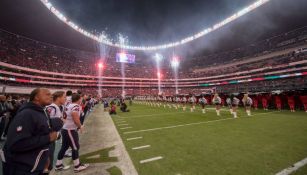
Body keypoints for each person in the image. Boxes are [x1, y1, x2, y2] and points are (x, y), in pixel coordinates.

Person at [2, 88, 60, 175]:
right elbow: (16, 144)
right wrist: (48, 138)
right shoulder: (27, 114)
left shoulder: (41, 111)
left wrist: (45, 158)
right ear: (36, 97)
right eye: (47, 94)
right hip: (23, 169)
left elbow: (41, 131)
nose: (51, 96)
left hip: (36, 166)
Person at [55, 93, 89, 173]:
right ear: (79, 99)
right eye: (80, 98)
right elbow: (75, 116)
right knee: (75, 147)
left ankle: (58, 165)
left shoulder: (69, 105)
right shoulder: (75, 106)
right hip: (70, 129)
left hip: (65, 128)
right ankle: (77, 166)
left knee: (64, 147)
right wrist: (80, 126)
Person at [44, 91, 67, 173]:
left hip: (54, 135)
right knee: (48, 156)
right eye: (64, 97)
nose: (66, 99)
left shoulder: (59, 107)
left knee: (51, 154)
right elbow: (48, 122)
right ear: (58, 98)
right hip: (48, 136)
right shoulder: (52, 107)